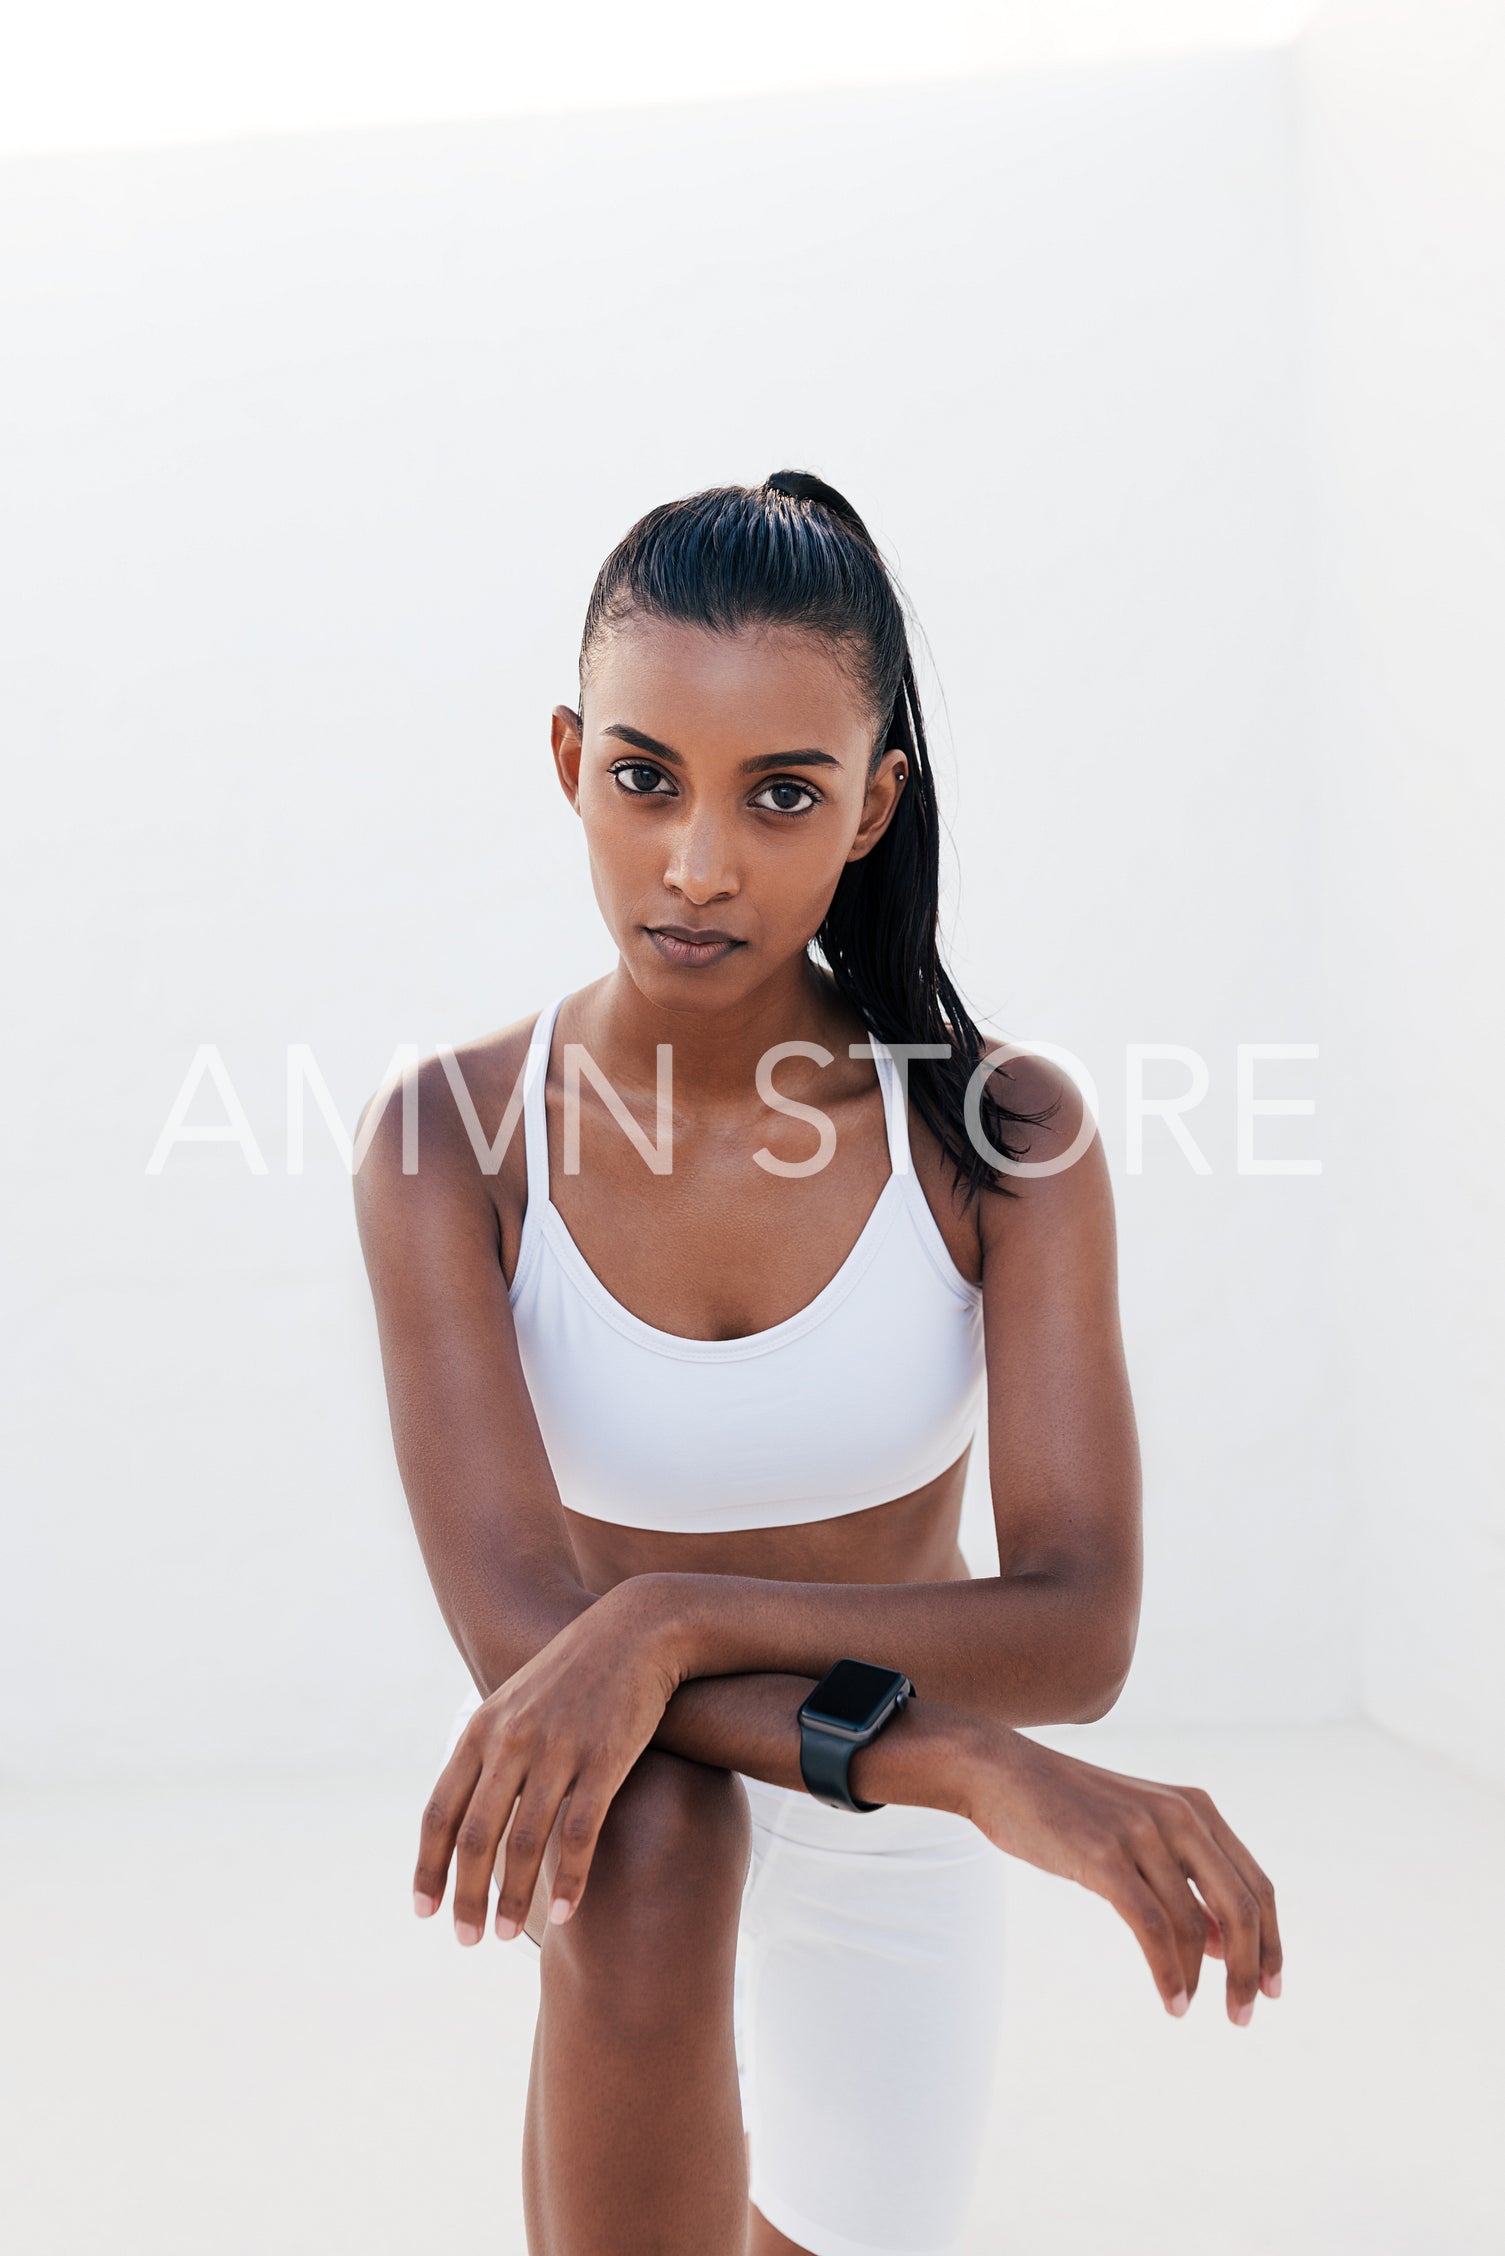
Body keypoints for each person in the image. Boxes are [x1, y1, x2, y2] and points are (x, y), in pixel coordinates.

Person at [352, 471, 1283, 2256]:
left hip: (883, 1833)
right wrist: (978, 1764)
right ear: (567, 761)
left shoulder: (998, 1136)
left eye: (779, 795)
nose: (697, 863)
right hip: (662, 1791)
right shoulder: (450, 1142)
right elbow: (523, 1653)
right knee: (650, 1840)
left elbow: (1077, 1624)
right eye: (644, 779)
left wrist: (661, 1618)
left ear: (873, 806)